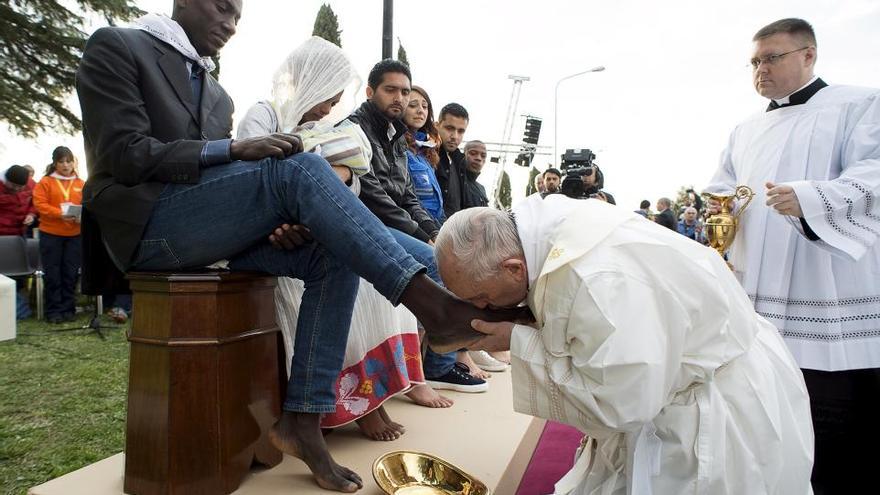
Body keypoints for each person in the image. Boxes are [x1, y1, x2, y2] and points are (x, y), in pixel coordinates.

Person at [75, 3, 522, 491]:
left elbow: (220, 194)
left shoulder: (216, 92)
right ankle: (434, 308)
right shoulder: (117, 46)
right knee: (301, 166)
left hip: (204, 230)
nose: (231, 22)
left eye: (239, 14)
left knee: (331, 251)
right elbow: (122, 154)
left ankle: (303, 421)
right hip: (148, 227)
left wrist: (273, 221)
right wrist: (231, 150)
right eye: (222, 6)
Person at [434, 198, 814, 494]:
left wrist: (517, 340)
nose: (483, 308)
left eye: (482, 297)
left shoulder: (597, 279)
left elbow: (620, 402)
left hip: (714, 408)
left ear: (514, 268)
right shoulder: (541, 228)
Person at [238, 37, 449, 438]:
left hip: (316, 229)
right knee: (360, 277)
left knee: (383, 285)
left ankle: (376, 397)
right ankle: (356, 404)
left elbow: (347, 185)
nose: (331, 105)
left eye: (337, 97)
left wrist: (341, 176)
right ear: (309, 81)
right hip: (276, 237)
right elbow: (256, 183)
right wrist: (324, 183)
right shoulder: (263, 117)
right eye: (327, 94)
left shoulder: (327, 129)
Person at [705, 18, 880, 493]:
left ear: (809, 55)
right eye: (755, 62)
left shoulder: (861, 103)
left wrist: (809, 198)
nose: (761, 70)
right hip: (759, 288)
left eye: (772, 58)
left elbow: (874, 173)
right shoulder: (745, 129)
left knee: (831, 420)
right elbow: (725, 186)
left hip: (827, 285)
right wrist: (717, 206)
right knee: (768, 406)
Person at [33, 147, 84, 324]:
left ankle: (68, 308)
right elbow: (40, 205)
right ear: (55, 163)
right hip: (51, 234)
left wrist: (81, 217)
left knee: (70, 273)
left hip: (74, 234)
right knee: (53, 273)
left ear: (73, 163)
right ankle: (53, 310)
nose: (65, 165)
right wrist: (59, 214)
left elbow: (87, 205)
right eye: (61, 161)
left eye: (69, 161)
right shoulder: (46, 182)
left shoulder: (80, 183)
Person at [403, 85, 445, 226]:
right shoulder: (398, 147)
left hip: (436, 224)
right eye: (413, 105)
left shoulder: (425, 150)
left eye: (425, 106)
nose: (420, 110)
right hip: (416, 225)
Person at [435, 103, 469, 219]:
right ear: (436, 126)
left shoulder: (460, 162)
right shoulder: (427, 155)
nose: (455, 136)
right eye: (450, 128)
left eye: (460, 131)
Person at [0, 165, 36, 236]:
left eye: (20, 187)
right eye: (13, 185)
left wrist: (31, 214)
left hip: (21, 232)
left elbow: (35, 201)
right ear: (6, 180)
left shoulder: (31, 185)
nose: (16, 189)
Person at [461, 140, 489, 209]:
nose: (478, 158)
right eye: (473, 153)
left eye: (483, 156)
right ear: (463, 155)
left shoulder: (481, 189)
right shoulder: (454, 180)